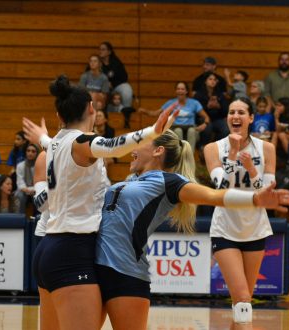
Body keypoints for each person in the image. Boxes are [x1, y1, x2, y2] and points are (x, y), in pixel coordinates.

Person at [24, 74, 180, 330]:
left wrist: (41, 136)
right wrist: (153, 131)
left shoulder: (53, 144)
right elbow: (113, 147)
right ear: (91, 109)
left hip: (48, 246)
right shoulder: (82, 141)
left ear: (60, 116)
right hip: (71, 250)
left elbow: (48, 142)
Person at [95, 130, 289, 330]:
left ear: (158, 151)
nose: (133, 148)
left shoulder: (170, 182)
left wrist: (254, 199)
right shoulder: (131, 180)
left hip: (127, 272)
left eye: (141, 142)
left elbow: (213, 196)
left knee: (243, 298)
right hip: (93, 265)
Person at [203, 97, 278, 326]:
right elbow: (221, 189)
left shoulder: (267, 148)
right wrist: (233, 155)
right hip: (224, 229)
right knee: (243, 299)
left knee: (241, 303)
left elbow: (265, 195)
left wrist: (252, 170)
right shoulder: (213, 148)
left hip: (255, 229)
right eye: (232, 112)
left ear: (251, 118)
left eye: (241, 112)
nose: (236, 116)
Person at [139, 82, 210, 153]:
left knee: (191, 131)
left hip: (191, 128)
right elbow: (155, 113)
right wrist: (144, 111)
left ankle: (189, 156)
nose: (180, 91)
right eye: (178, 89)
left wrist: (205, 124)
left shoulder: (194, 103)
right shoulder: (171, 103)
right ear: (176, 91)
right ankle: (179, 156)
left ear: (186, 91)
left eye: (182, 89)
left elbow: (206, 117)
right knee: (178, 130)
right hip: (176, 128)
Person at [194, 73, 230, 147]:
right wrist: (207, 107)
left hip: (217, 119)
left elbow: (226, 111)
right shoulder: (198, 94)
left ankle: (216, 146)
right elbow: (195, 111)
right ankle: (203, 146)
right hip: (203, 119)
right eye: (210, 79)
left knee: (226, 129)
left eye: (214, 79)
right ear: (205, 81)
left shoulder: (220, 94)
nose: (213, 81)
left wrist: (219, 106)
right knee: (208, 128)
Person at [98, 42, 133, 108]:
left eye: (103, 49)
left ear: (109, 52)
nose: (100, 51)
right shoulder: (96, 62)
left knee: (127, 89)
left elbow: (124, 77)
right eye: (100, 49)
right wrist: (105, 83)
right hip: (100, 88)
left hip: (116, 86)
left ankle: (126, 111)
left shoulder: (116, 63)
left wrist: (112, 84)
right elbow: (90, 76)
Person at [15, 143, 40, 213]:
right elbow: (20, 182)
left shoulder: (41, 165)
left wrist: (34, 190)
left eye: (33, 151)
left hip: (37, 189)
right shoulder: (20, 165)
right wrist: (26, 190)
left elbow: (41, 182)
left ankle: (37, 218)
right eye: (28, 151)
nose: (30, 153)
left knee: (39, 195)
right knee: (19, 195)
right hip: (24, 190)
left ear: (37, 153)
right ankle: (20, 218)